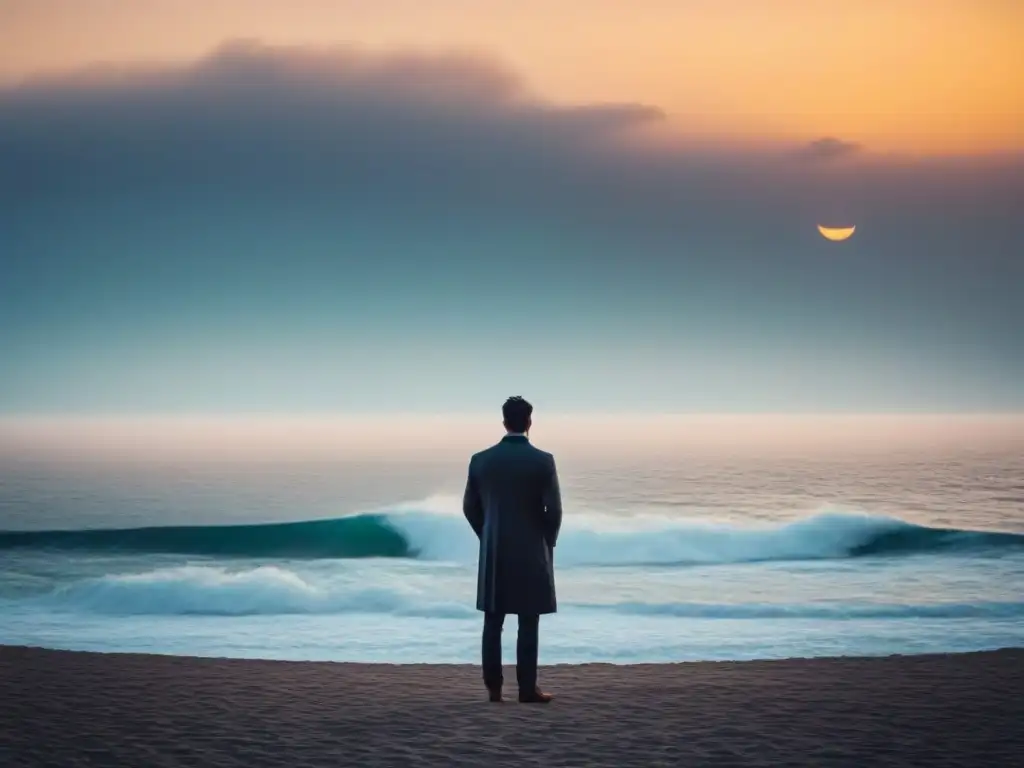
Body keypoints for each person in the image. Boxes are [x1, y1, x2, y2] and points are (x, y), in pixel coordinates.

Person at [462, 395, 562, 703]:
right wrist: (548, 541)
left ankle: (494, 688)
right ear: (529, 422)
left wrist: (487, 534)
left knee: (493, 620)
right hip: (531, 550)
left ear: (504, 422)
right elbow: (554, 511)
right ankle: (526, 689)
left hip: (495, 551)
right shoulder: (543, 461)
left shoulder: (481, 460)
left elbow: (469, 508)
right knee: (528, 620)